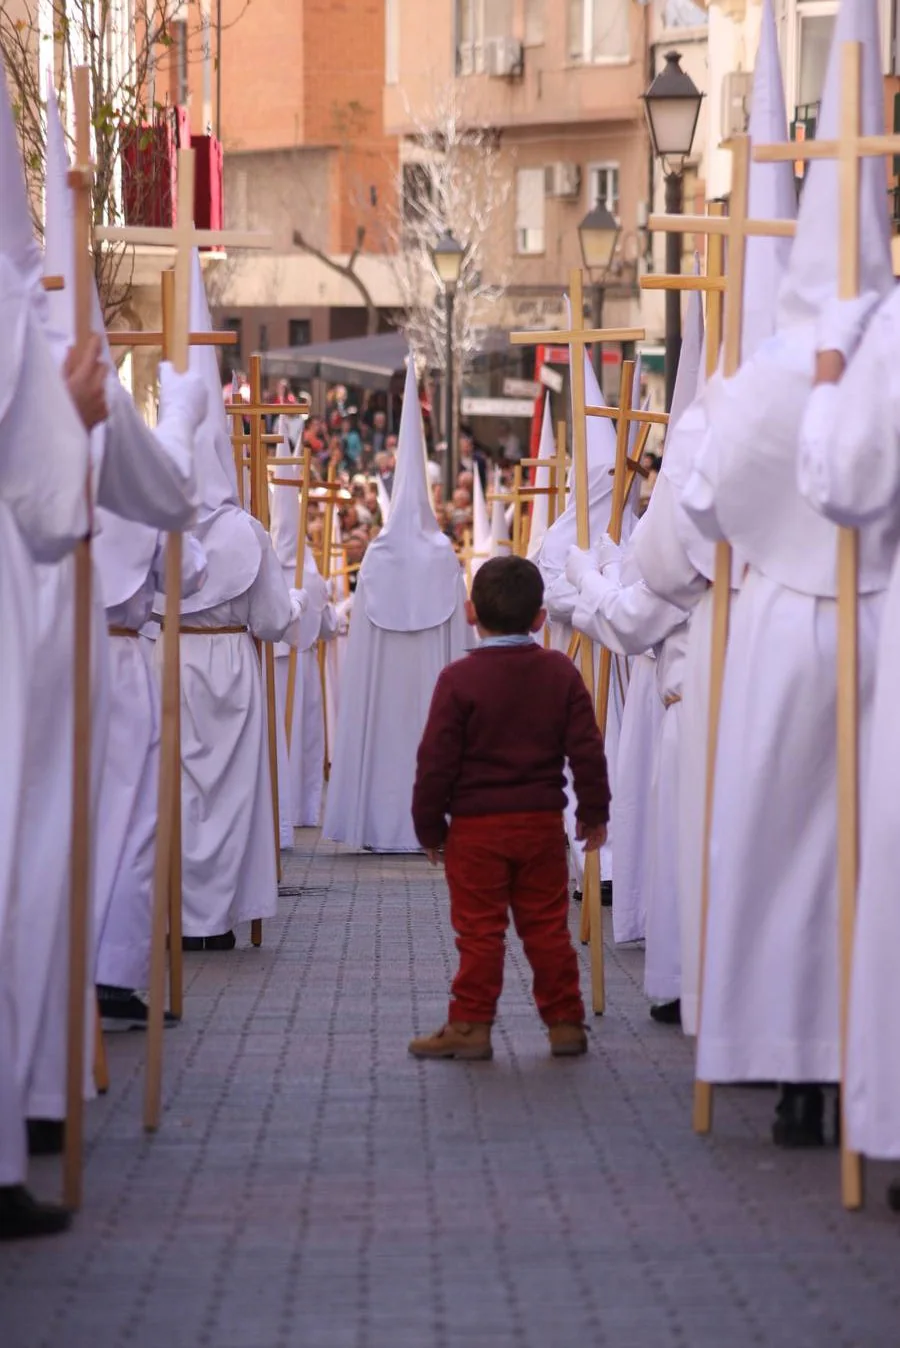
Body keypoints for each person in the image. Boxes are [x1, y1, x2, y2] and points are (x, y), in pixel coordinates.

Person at [682, 0, 894, 1146]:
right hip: (882, 621)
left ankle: (792, 1058)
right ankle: (854, 1062)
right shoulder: (884, 342)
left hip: (777, 627)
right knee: (867, 849)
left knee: (784, 845)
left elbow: (706, 505)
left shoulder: (768, 367)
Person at [408, 556, 610, 1061]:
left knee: (479, 930)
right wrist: (594, 811)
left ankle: (472, 1025)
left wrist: (429, 827)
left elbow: (435, 761)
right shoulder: (559, 672)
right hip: (541, 823)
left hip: (476, 829)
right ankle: (565, 1022)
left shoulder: (458, 680)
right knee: (546, 926)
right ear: (541, 618)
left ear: (470, 612)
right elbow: (587, 748)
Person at [323, 356, 469, 852]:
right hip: (432, 681)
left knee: (385, 740)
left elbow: (362, 643)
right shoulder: (443, 555)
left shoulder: (380, 557)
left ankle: (381, 824)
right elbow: (462, 639)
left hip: (385, 683)